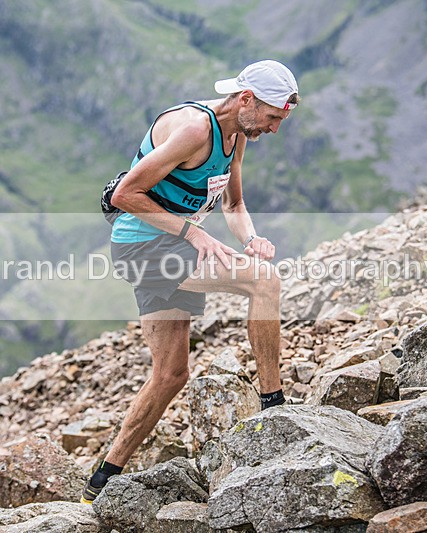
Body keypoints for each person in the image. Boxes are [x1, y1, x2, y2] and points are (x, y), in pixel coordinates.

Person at [82, 60, 300, 504]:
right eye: (274, 117)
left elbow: (234, 204)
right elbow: (124, 194)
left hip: (163, 248)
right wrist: (194, 232)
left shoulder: (238, 134)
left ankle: (101, 480)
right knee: (265, 284)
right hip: (145, 248)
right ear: (246, 99)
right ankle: (274, 408)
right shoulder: (194, 130)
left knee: (170, 375)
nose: (275, 129)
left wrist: (252, 239)